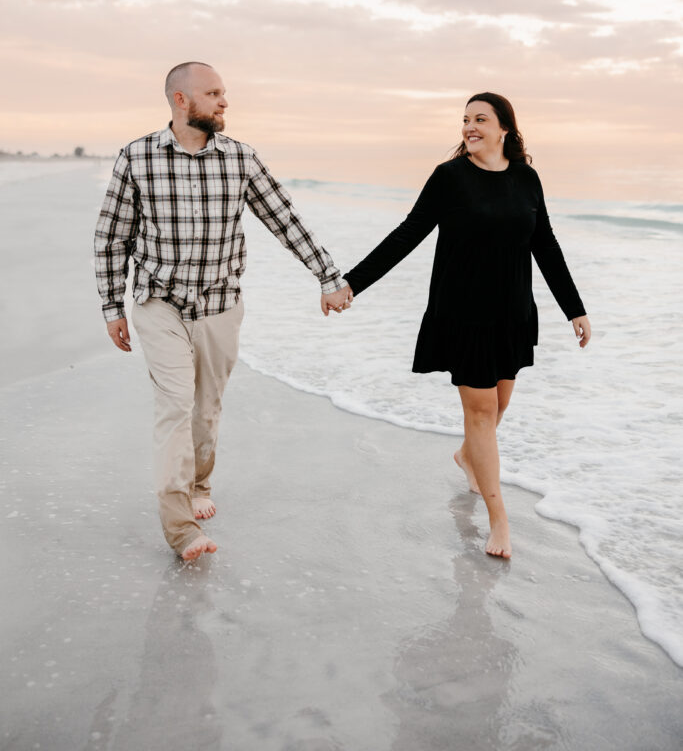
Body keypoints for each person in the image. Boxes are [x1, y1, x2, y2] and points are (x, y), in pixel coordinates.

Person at [94, 61, 350, 562]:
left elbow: (284, 218)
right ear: (181, 100)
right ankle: (181, 529)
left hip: (220, 306)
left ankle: (199, 484)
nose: (224, 101)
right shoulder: (138, 157)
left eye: (224, 93)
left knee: (206, 412)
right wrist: (112, 306)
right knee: (175, 408)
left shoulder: (240, 158)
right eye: (213, 93)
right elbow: (111, 237)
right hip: (157, 303)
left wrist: (328, 276)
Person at [336, 92, 590, 559]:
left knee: (496, 409)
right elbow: (407, 233)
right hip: (463, 314)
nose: (470, 126)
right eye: (465, 120)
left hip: (513, 313)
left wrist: (574, 308)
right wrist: (352, 283)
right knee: (480, 413)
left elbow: (546, 246)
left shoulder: (526, 179)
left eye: (480, 119)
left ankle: (467, 456)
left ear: (504, 130)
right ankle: (500, 521)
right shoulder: (449, 178)